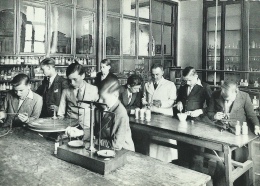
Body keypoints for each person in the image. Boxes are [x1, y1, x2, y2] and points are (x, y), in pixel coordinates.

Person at [207, 80, 260, 186]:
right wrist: (214, 116)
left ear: (236, 92)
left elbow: (251, 115)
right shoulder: (215, 94)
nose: (226, 102)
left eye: (229, 99)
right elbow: (209, 112)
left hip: (240, 133)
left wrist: (257, 126)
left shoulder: (244, 97)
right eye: (224, 99)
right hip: (222, 132)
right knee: (222, 162)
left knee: (241, 162)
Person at [142, 64, 177, 162]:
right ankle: (152, 160)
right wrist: (145, 103)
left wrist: (161, 103)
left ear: (162, 72)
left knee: (164, 141)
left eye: (157, 74)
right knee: (152, 141)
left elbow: (172, 101)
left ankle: (167, 162)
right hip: (151, 115)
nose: (155, 77)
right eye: (153, 75)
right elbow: (144, 98)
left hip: (164, 116)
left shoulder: (170, 85)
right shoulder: (147, 84)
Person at [57, 61, 99, 139]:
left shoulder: (94, 90)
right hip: (71, 131)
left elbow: (99, 112)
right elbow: (60, 114)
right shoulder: (66, 91)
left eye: (75, 79)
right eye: (70, 80)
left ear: (83, 76)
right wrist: (64, 130)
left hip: (88, 131)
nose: (72, 83)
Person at [94, 77, 135, 151]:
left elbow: (116, 145)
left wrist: (94, 141)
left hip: (123, 152)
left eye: (103, 99)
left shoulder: (120, 113)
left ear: (115, 95)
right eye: (99, 96)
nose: (99, 100)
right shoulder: (101, 107)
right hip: (105, 148)